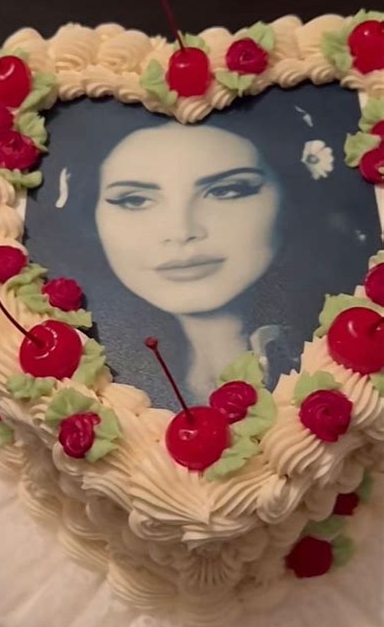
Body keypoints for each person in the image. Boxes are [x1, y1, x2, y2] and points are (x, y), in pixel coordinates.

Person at [25, 84, 380, 408]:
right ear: (93, 216)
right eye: (134, 200)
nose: (181, 231)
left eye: (227, 191)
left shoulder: (348, 347)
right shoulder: (101, 376)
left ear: (291, 198)